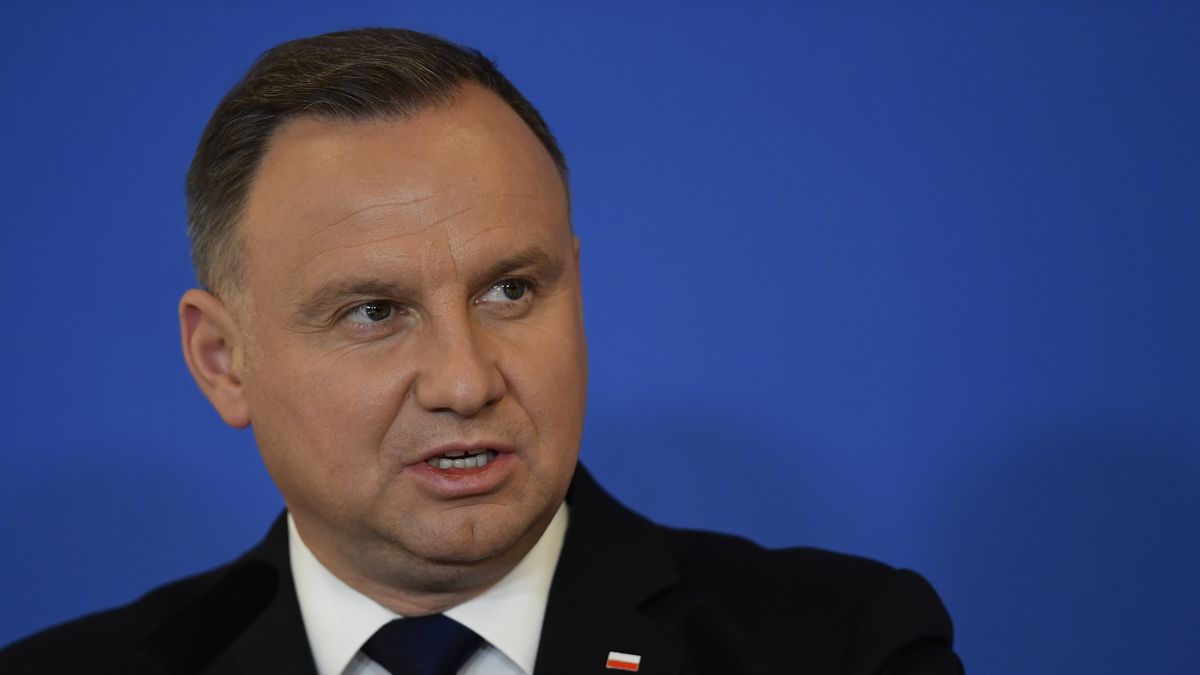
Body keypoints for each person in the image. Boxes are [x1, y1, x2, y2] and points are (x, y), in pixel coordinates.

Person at [0, 27, 962, 675]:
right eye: (374, 311)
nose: (466, 380)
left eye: (512, 290)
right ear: (222, 359)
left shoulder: (846, 647)